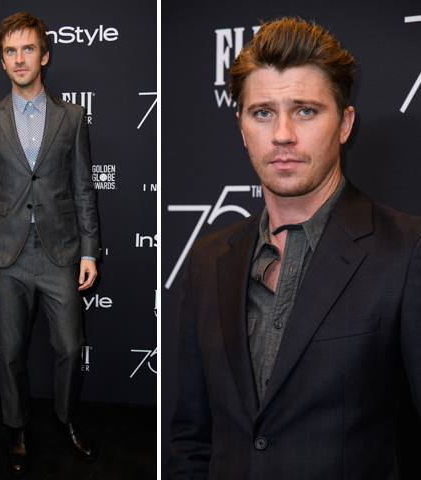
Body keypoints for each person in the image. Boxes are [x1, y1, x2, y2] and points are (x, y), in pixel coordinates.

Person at [168, 17, 421, 479]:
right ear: (242, 127)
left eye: (305, 111)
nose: (282, 134)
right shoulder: (206, 260)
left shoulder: (407, 252)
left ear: (344, 124)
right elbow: (191, 437)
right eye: (263, 112)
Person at [0, 11, 100, 475]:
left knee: (69, 347)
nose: (19, 59)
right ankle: (17, 426)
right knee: (10, 353)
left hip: (60, 253)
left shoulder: (73, 117)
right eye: (10, 51)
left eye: (28, 49)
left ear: (44, 55)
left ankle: (64, 418)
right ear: (2, 60)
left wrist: (89, 250)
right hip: (5, 256)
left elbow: (83, 188)